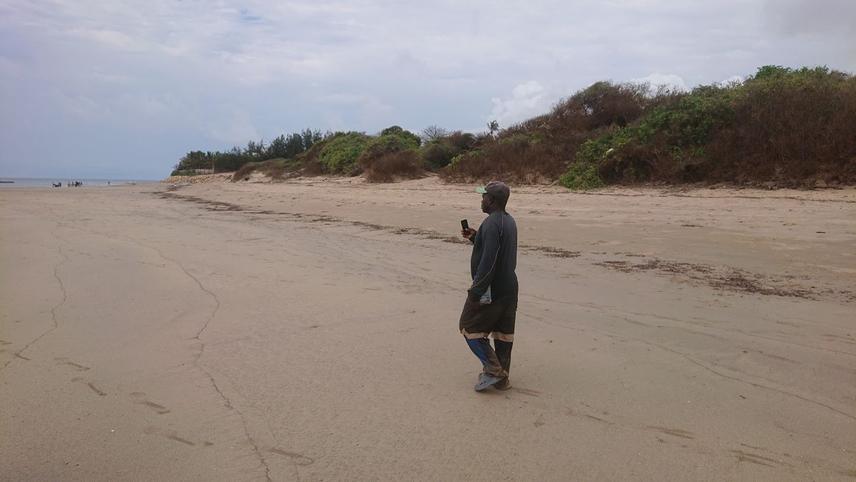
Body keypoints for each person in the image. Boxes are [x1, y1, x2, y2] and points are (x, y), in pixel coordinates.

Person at [459, 181, 518, 391]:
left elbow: (490, 261)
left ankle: (493, 370)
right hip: (509, 287)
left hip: (492, 288)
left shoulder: (492, 223)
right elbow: (497, 252)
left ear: (492, 200)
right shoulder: (508, 221)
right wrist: (477, 237)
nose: (481, 199)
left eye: (484, 196)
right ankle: (502, 378)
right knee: (503, 333)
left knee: (468, 326)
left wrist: (476, 291)